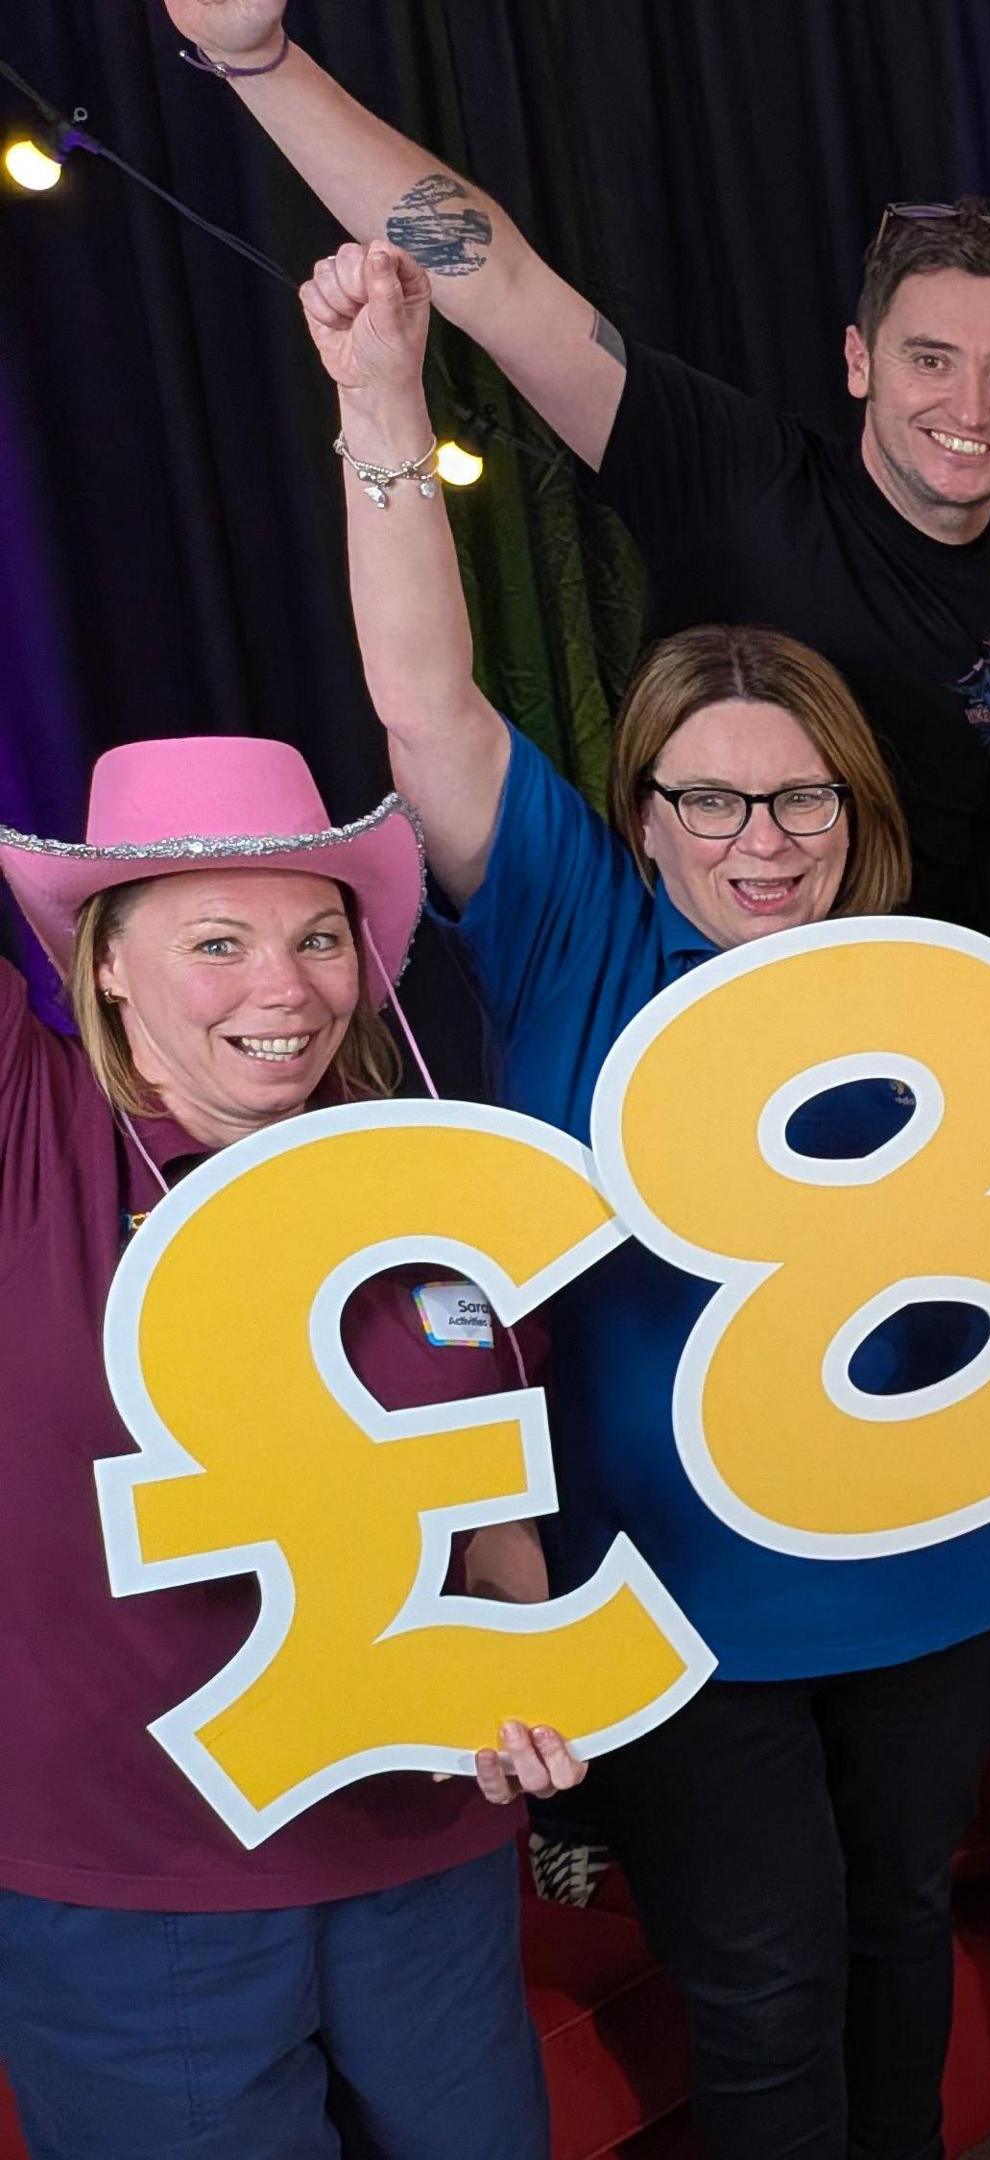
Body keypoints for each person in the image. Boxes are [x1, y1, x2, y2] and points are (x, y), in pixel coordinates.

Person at [318, 237, 990, 2160]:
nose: (762, 844)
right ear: (645, 805)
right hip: (678, 1598)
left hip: (927, 1563)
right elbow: (428, 711)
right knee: (760, 1995)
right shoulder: (578, 928)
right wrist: (377, 410)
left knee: (901, 1931)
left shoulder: (914, 979)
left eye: (801, 803)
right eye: (712, 801)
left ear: (857, 808)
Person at [166, 0, 990, 936]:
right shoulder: (738, 475)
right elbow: (501, 277)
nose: (968, 409)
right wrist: (261, 60)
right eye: (930, 360)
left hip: (937, 1048)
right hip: (695, 1006)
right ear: (858, 360)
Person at [0, 735, 589, 2159]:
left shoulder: (424, 1181)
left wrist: (532, 1667)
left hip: (420, 1843)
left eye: (320, 937)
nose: (288, 987)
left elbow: (485, 1488)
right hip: (132, 1884)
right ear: (107, 961)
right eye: (218, 940)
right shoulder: (32, 1130)